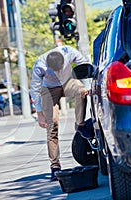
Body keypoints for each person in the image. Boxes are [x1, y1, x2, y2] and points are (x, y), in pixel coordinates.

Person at [30, 45, 92, 181]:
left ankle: (80, 124)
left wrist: (91, 84)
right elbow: (34, 90)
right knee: (53, 126)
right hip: (49, 90)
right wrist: (39, 114)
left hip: (67, 83)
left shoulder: (69, 52)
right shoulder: (40, 65)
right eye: (54, 71)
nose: (58, 73)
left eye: (60, 69)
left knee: (81, 91)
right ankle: (55, 166)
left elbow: (85, 65)